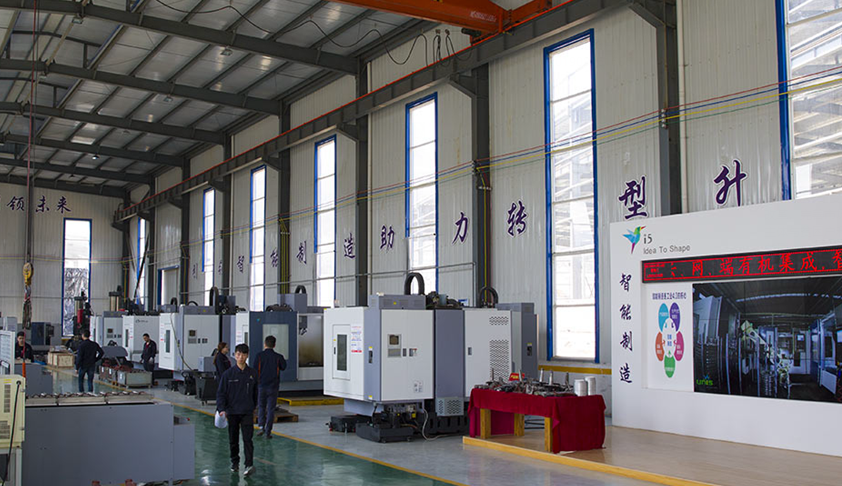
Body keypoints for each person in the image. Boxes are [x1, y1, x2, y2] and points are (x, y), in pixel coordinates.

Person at [216, 343, 258, 477]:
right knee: (233, 440)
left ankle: (249, 464)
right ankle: (235, 462)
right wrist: (222, 409)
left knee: (248, 439)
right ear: (235, 355)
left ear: (247, 356)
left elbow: (256, 392)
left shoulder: (252, 374)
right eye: (238, 354)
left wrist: (254, 407)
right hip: (232, 412)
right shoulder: (228, 374)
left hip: (247, 411)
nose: (241, 357)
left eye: (244, 355)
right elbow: (221, 393)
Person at [255, 335, 286, 438]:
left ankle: (261, 426)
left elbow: (255, 369)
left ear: (265, 344)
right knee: (271, 409)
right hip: (273, 386)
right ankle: (268, 431)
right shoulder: (278, 357)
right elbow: (283, 367)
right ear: (274, 345)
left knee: (261, 406)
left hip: (261, 385)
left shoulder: (259, 356)